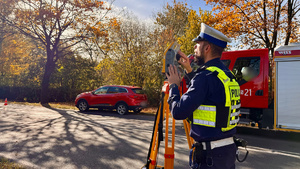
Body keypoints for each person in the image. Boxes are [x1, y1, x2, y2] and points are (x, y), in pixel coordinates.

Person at [166, 23, 241, 169]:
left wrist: (173, 86)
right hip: (227, 153)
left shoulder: (205, 77)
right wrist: (189, 70)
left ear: (207, 48)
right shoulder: (226, 74)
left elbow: (178, 112)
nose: (194, 48)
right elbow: (208, 94)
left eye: (197, 44)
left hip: (210, 157)